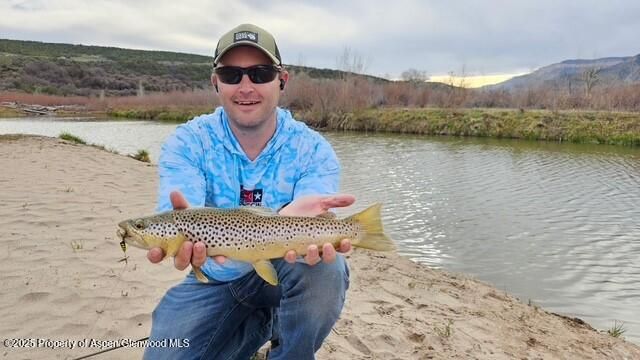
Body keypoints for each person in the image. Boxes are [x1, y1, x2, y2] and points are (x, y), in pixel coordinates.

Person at [143, 23, 353, 360]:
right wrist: (183, 237)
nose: (245, 87)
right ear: (215, 82)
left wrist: (298, 218)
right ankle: (256, 329)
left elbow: (312, 208)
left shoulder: (313, 149)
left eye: (260, 73)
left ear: (281, 80)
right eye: (231, 75)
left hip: (286, 270)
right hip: (213, 279)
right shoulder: (188, 141)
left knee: (327, 268)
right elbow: (179, 210)